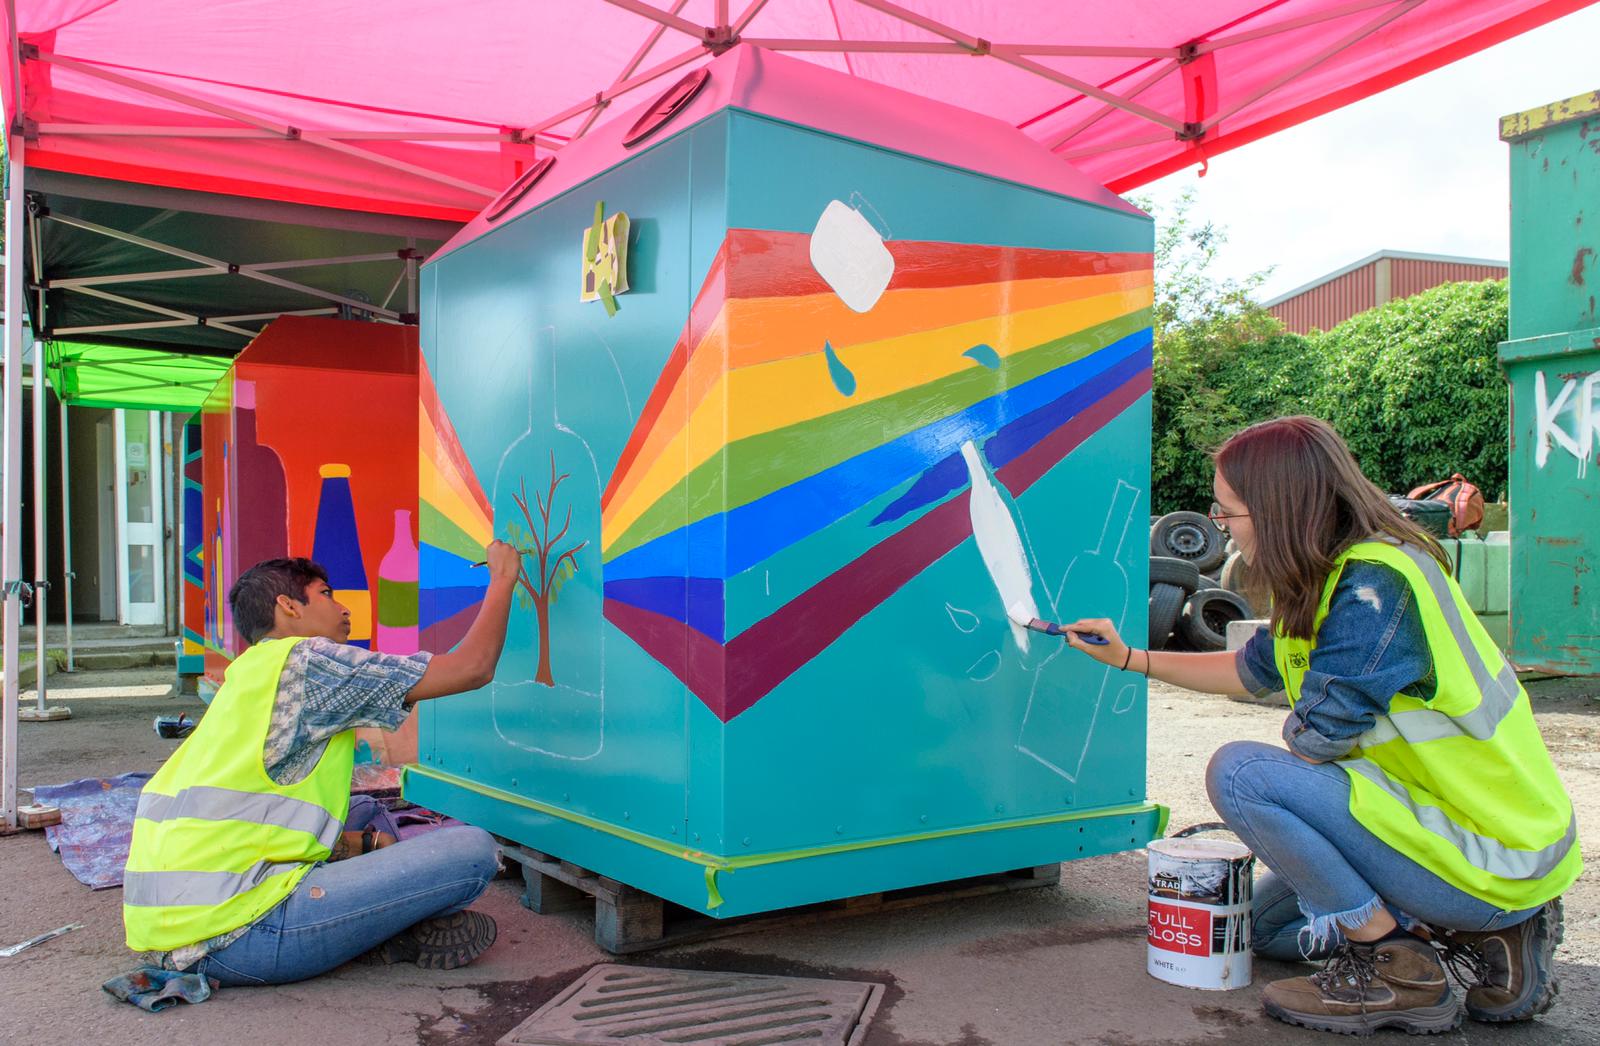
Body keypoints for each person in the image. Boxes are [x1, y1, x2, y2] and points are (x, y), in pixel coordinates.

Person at [1061, 416, 1580, 1036]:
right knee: (1265, 929)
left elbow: (1311, 747)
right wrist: (1129, 658)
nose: (1221, 527)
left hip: (1483, 847)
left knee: (1243, 774)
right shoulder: (1328, 577)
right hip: (1416, 822)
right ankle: (1479, 931)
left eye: (1229, 513)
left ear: (1278, 510)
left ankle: (1401, 970)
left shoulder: (1374, 587)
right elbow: (1249, 669)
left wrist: (1270, 818)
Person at [123, 541, 524, 986]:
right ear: (288, 606)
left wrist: (367, 843)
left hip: (172, 928)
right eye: (326, 594)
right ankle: (380, 932)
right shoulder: (309, 661)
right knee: (473, 851)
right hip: (237, 937)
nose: (343, 607)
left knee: (365, 812)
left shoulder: (248, 672)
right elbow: (471, 668)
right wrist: (503, 577)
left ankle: (373, 924)